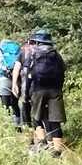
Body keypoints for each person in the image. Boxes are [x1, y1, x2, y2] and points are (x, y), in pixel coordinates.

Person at [13, 28, 66, 157]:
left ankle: (42, 144)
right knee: (55, 120)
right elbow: (63, 71)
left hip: (38, 89)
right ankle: (57, 152)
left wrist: (25, 93)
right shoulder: (56, 54)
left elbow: (27, 75)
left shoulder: (32, 54)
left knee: (36, 117)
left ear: (37, 42)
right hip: (55, 90)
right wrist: (59, 89)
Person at [0, 37, 22, 130]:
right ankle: (18, 126)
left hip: (4, 80)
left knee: (5, 104)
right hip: (17, 80)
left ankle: (7, 126)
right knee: (15, 103)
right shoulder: (17, 53)